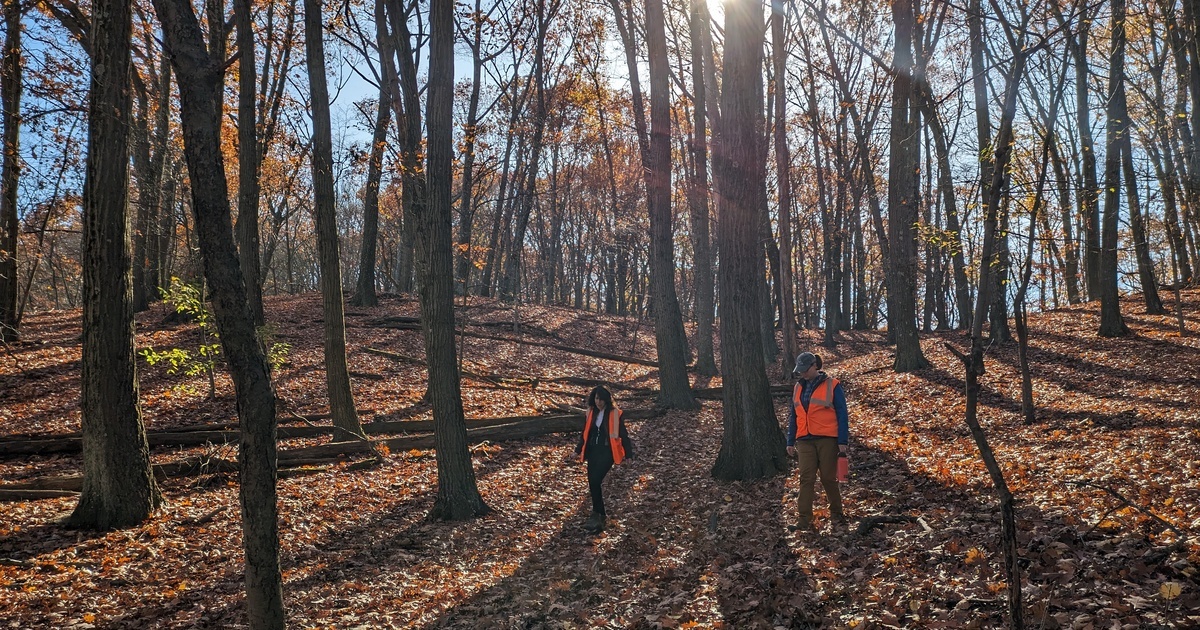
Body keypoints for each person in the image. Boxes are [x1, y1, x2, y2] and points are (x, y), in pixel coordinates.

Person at [785, 351, 850, 532]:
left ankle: (837, 514)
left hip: (827, 439)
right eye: (800, 371)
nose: (803, 373)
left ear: (815, 366)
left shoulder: (832, 385)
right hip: (804, 439)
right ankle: (804, 520)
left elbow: (842, 413)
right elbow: (794, 415)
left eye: (805, 370)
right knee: (806, 478)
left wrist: (842, 440)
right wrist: (790, 440)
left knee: (828, 478)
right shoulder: (798, 387)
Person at [570, 386, 633, 534]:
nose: (599, 402)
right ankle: (598, 513)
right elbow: (585, 434)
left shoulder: (615, 414)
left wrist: (629, 455)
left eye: (602, 399)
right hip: (592, 451)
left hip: (607, 452)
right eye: (597, 398)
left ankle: (598, 514)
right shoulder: (590, 412)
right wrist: (577, 450)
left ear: (607, 400)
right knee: (592, 482)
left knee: (596, 480)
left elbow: (623, 435)